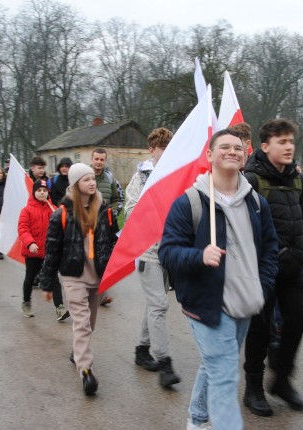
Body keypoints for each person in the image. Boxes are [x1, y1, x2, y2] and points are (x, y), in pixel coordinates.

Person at [159, 128, 278, 430]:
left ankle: (197, 419)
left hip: (246, 301)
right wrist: (199, 256)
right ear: (209, 156)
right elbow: (168, 252)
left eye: (238, 148)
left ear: (246, 154)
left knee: (215, 364)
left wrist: (262, 288)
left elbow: (269, 251)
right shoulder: (189, 202)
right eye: (224, 147)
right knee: (225, 373)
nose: (232, 152)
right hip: (207, 303)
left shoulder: (256, 203)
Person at [242, 118, 303, 416]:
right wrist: (269, 256)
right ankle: (254, 387)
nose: (288, 147)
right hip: (264, 270)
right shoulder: (252, 180)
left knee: (298, 319)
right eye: (282, 142)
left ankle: (282, 380)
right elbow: (243, 228)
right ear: (265, 146)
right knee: (259, 329)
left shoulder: (299, 179)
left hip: (295, 267)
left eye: (290, 141)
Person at [39, 163, 119, 396]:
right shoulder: (61, 215)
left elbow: (112, 241)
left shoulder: (104, 210)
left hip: (97, 276)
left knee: (90, 324)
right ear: (75, 185)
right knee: (82, 323)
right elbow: (52, 250)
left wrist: (114, 265)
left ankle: (78, 351)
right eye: (86, 180)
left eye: (92, 179)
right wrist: (47, 283)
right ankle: (86, 371)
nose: (92, 183)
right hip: (73, 275)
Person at [126, 127, 181, 387]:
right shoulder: (142, 176)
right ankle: (165, 362)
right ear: (152, 150)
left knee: (154, 304)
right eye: (163, 150)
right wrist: (155, 210)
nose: (168, 154)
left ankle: (141, 348)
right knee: (159, 305)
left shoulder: (177, 174)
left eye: (172, 149)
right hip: (148, 251)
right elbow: (131, 209)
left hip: (169, 249)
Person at [17, 179, 59, 317]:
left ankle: (60, 307)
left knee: (54, 278)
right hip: (33, 252)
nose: (42, 193)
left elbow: (61, 227)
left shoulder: (53, 209)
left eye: (45, 190)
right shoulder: (26, 210)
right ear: (34, 192)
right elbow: (23, 229)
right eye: (39, 190)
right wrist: (30, 243)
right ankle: (26, 303)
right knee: (30, 278)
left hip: (48, 251)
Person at [91, 148, 124, 306]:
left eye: (101, 159)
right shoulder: (84, 177)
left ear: (105, 161)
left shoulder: (110, 179)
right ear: (92, 159)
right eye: (96, 159)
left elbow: (117, 199)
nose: (98, 162)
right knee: (87, 259)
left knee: (103, 258)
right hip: (86, 225)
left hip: (104, 225)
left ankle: (101, 294)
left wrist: (112, 210)